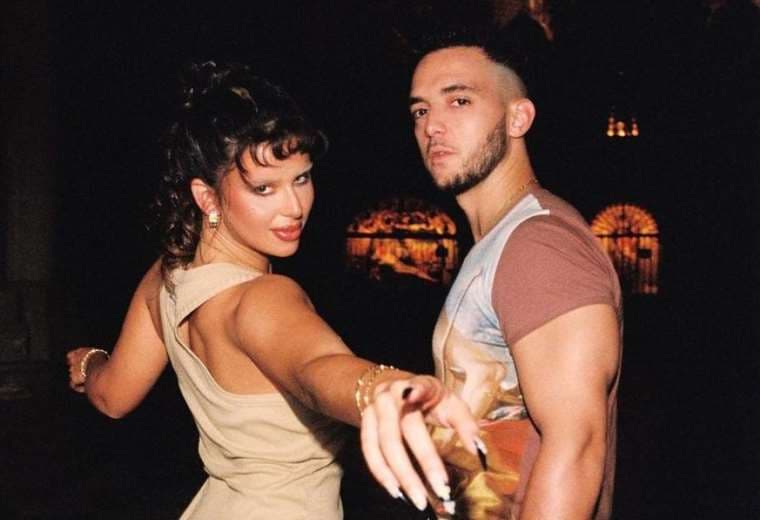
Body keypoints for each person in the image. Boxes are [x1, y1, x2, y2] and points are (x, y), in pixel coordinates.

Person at [66, 61, 480, 518]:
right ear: (206, 196)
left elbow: (111, 397)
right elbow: (314, 367)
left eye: (301, 178)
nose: (294, 206)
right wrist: (383, 389)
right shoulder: (264, 296)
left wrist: (89, 361)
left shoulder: (166, 275)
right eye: (264, 188)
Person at [363, 31, 623, 519]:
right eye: (420, 111)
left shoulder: (539, 246)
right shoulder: (500, 242)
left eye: (459, 100)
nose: (432, 126)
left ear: (517, 117)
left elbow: (576, 447)